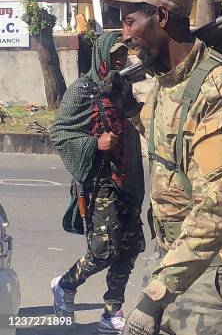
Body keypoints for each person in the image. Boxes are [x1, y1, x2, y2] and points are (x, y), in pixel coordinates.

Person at [96, 0, 222, 335]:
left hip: (208, 272)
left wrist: (155, 297)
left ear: (162, 17)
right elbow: (175, 150)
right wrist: (131, 113)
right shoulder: (165, 81)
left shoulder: (218, 90)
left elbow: (214, 209)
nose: (124, 35)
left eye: (130, 21)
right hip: (170, 257)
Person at [49, 31, 146, 334]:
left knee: (129, 247)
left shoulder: (123, 87)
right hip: (100, 182)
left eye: (124, 53)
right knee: (104, 249)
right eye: (115, 53)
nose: (121, 58)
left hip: (128, 179)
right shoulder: (82, 90)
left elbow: (137, 121)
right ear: (101, 54)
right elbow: (60, 133)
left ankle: (111, 311)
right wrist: (95, 143)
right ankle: (65, 284)